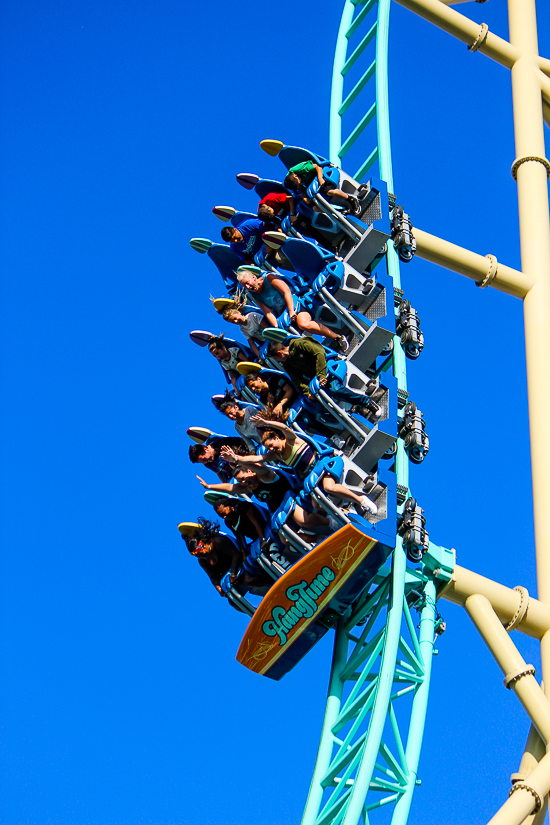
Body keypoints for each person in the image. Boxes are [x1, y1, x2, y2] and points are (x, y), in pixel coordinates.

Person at [228, 417, 378, 516]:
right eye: (268, 448)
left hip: (325, 463)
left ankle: (361, 500)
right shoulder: (276, 455)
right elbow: (255, 458)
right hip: (314, 476)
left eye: (271, 445)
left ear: (276, 438)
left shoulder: (291, 440)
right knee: (316, 505)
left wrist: (267, 423)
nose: (272, 449)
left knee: (329, 487)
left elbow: (284, 427)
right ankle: (346, 511)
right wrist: (236, 459)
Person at [197, 462, 337, 535]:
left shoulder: (264, 476)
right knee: (284, 538)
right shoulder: (249, 487)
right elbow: (230, 488)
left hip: (292, 495)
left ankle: (330, 523)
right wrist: (209, 486)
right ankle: (317, 541)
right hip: (281, 508)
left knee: (303, 521)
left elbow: (260, 466)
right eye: (241, 481)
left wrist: (237, 460)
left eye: (244, 478)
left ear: (250, 472)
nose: (244, 482)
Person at [267, 337, 383, 422]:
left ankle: (367, 403)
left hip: (329, 365)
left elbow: (319, 353)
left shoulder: (298, 344)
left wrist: (321, 375)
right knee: (315, 408)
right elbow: (298, 381)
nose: (277, 362)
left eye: (276, 358)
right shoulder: (287, 364)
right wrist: (308, 392)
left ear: (279, 353)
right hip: (318, 379)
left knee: (335, 389)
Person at [236, 267, 349, 352]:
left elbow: (287, 291)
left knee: (303, 324)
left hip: (296, 303)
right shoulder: (255, 296)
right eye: (245, 286)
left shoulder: (269, 278)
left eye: (247, 283)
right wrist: (277, 327)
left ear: (253, 278)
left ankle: (338, 338)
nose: (247, 287)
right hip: (285, 315)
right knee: (288, 343)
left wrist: (291, 311)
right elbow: (268, 312)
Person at [181, 518, 242, 596]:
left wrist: (233, 574)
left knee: (248, 579)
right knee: (232, 601)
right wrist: (219, 589)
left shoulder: (217, 543)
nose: (202, 556)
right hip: (231, 577)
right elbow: (212, 576)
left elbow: (236, 554)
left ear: (203, 544)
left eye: (201, 553)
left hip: (241, 565)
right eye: (198, 556)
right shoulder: (202, 561)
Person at [284, 162, 361, 215]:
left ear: (295, 175)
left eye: (299, 182)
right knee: (314, 207)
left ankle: (351, 199)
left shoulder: (300, 169)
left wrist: (320, 178)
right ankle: (339, 211)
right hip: (315, 186)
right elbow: (301, 187)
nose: (300, 184)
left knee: (329, 191)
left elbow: (318, 166)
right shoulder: (292, 182)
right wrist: (305, 199)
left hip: (324, 174)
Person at [213, 291, 270, 359]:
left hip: (271, 337)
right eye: (232, 322)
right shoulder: (243, 329)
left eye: (234, 318)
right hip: (265, 343)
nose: (236, 321)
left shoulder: (252, 316)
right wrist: (259, 356)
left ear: (238, 312)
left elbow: (267, 327)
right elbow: (252, 344)